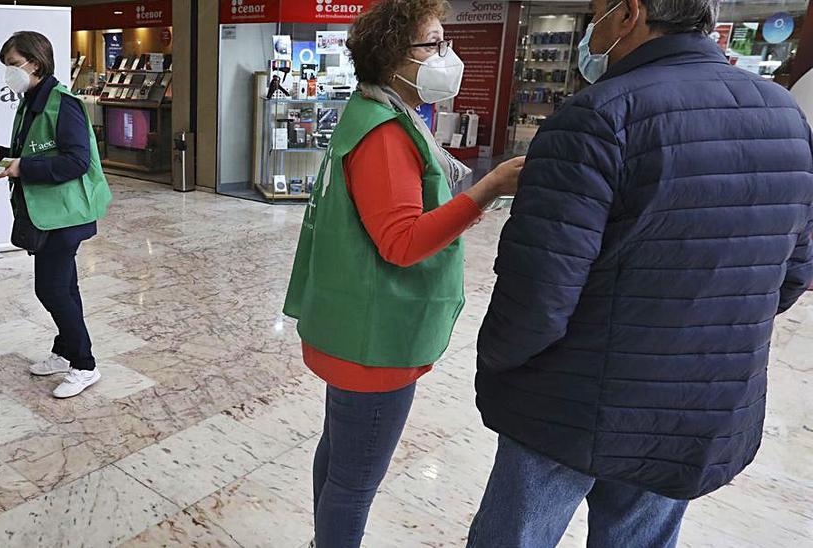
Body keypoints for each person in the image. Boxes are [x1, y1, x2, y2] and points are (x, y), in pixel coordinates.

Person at [468, 0, 813, 545]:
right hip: (696, 404)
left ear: (630, 13)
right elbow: (794, 273)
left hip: (569, 403)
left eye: (595, 10)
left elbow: (538, 294)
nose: (589, 26)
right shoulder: (785, 118)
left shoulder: (596, 117)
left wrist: (499, 365)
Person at [281, 1, 523, 546]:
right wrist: (487, 190)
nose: (446, 55)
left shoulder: (373, 110)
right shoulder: (386, 134)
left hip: (352, 327)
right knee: (354, 478)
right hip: (375, 341)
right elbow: (403, 242)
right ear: (394, 57)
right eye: (433, 45)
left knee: (339, 452)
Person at [0, 31, 113, 399]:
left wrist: (23, 168)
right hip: (46, 213)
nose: (8, 73)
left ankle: (85, 365)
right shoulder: (31, 100)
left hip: (63, 215)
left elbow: (75, 161)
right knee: (65, 286)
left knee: (50, 288)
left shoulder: (62, 102)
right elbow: (35, 149)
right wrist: (2, 152)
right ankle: (65, 350)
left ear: (34, 64)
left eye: (13, 65)